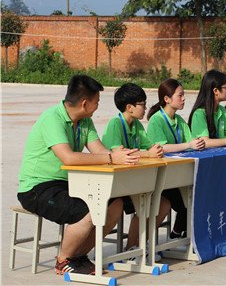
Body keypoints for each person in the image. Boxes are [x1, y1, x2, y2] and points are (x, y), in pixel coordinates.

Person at [17, 75, 139, 275]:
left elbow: (99, 150)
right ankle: (63, 260)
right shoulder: (52, 118)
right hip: (37, 188)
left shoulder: (85, 121)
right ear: (84, 103)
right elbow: (69, 158)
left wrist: (120, 155)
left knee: (114, 203)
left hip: (68, 184)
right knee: (86, 211)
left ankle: (78, 255)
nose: (98, 106)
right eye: (97, 102)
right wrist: (111, 158)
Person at [102, 83, 170, 252]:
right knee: (144, 205)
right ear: (129, 107)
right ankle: (132, 248)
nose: (145, 107)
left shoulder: (137, 126)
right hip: (115, 184)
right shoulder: (115, 125)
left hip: (134, 181)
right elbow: (119, 153)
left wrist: (155, 150)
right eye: (142, 104)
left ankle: (139, 244)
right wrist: (148, 154)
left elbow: (149, 147)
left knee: (163, 204)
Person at [146, 78, 205, 239]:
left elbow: (190, 140)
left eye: (183, 95)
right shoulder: (156, 120)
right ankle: (177, 234)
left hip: (177, 173)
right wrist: (189, 145)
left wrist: (197, 143)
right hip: (161, 177)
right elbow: (161, 148)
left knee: (197, 196)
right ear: (167, 99)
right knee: (188, 203)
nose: (184, 98)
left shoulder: (179, 121)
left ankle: (179, 233)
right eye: (180, 95)